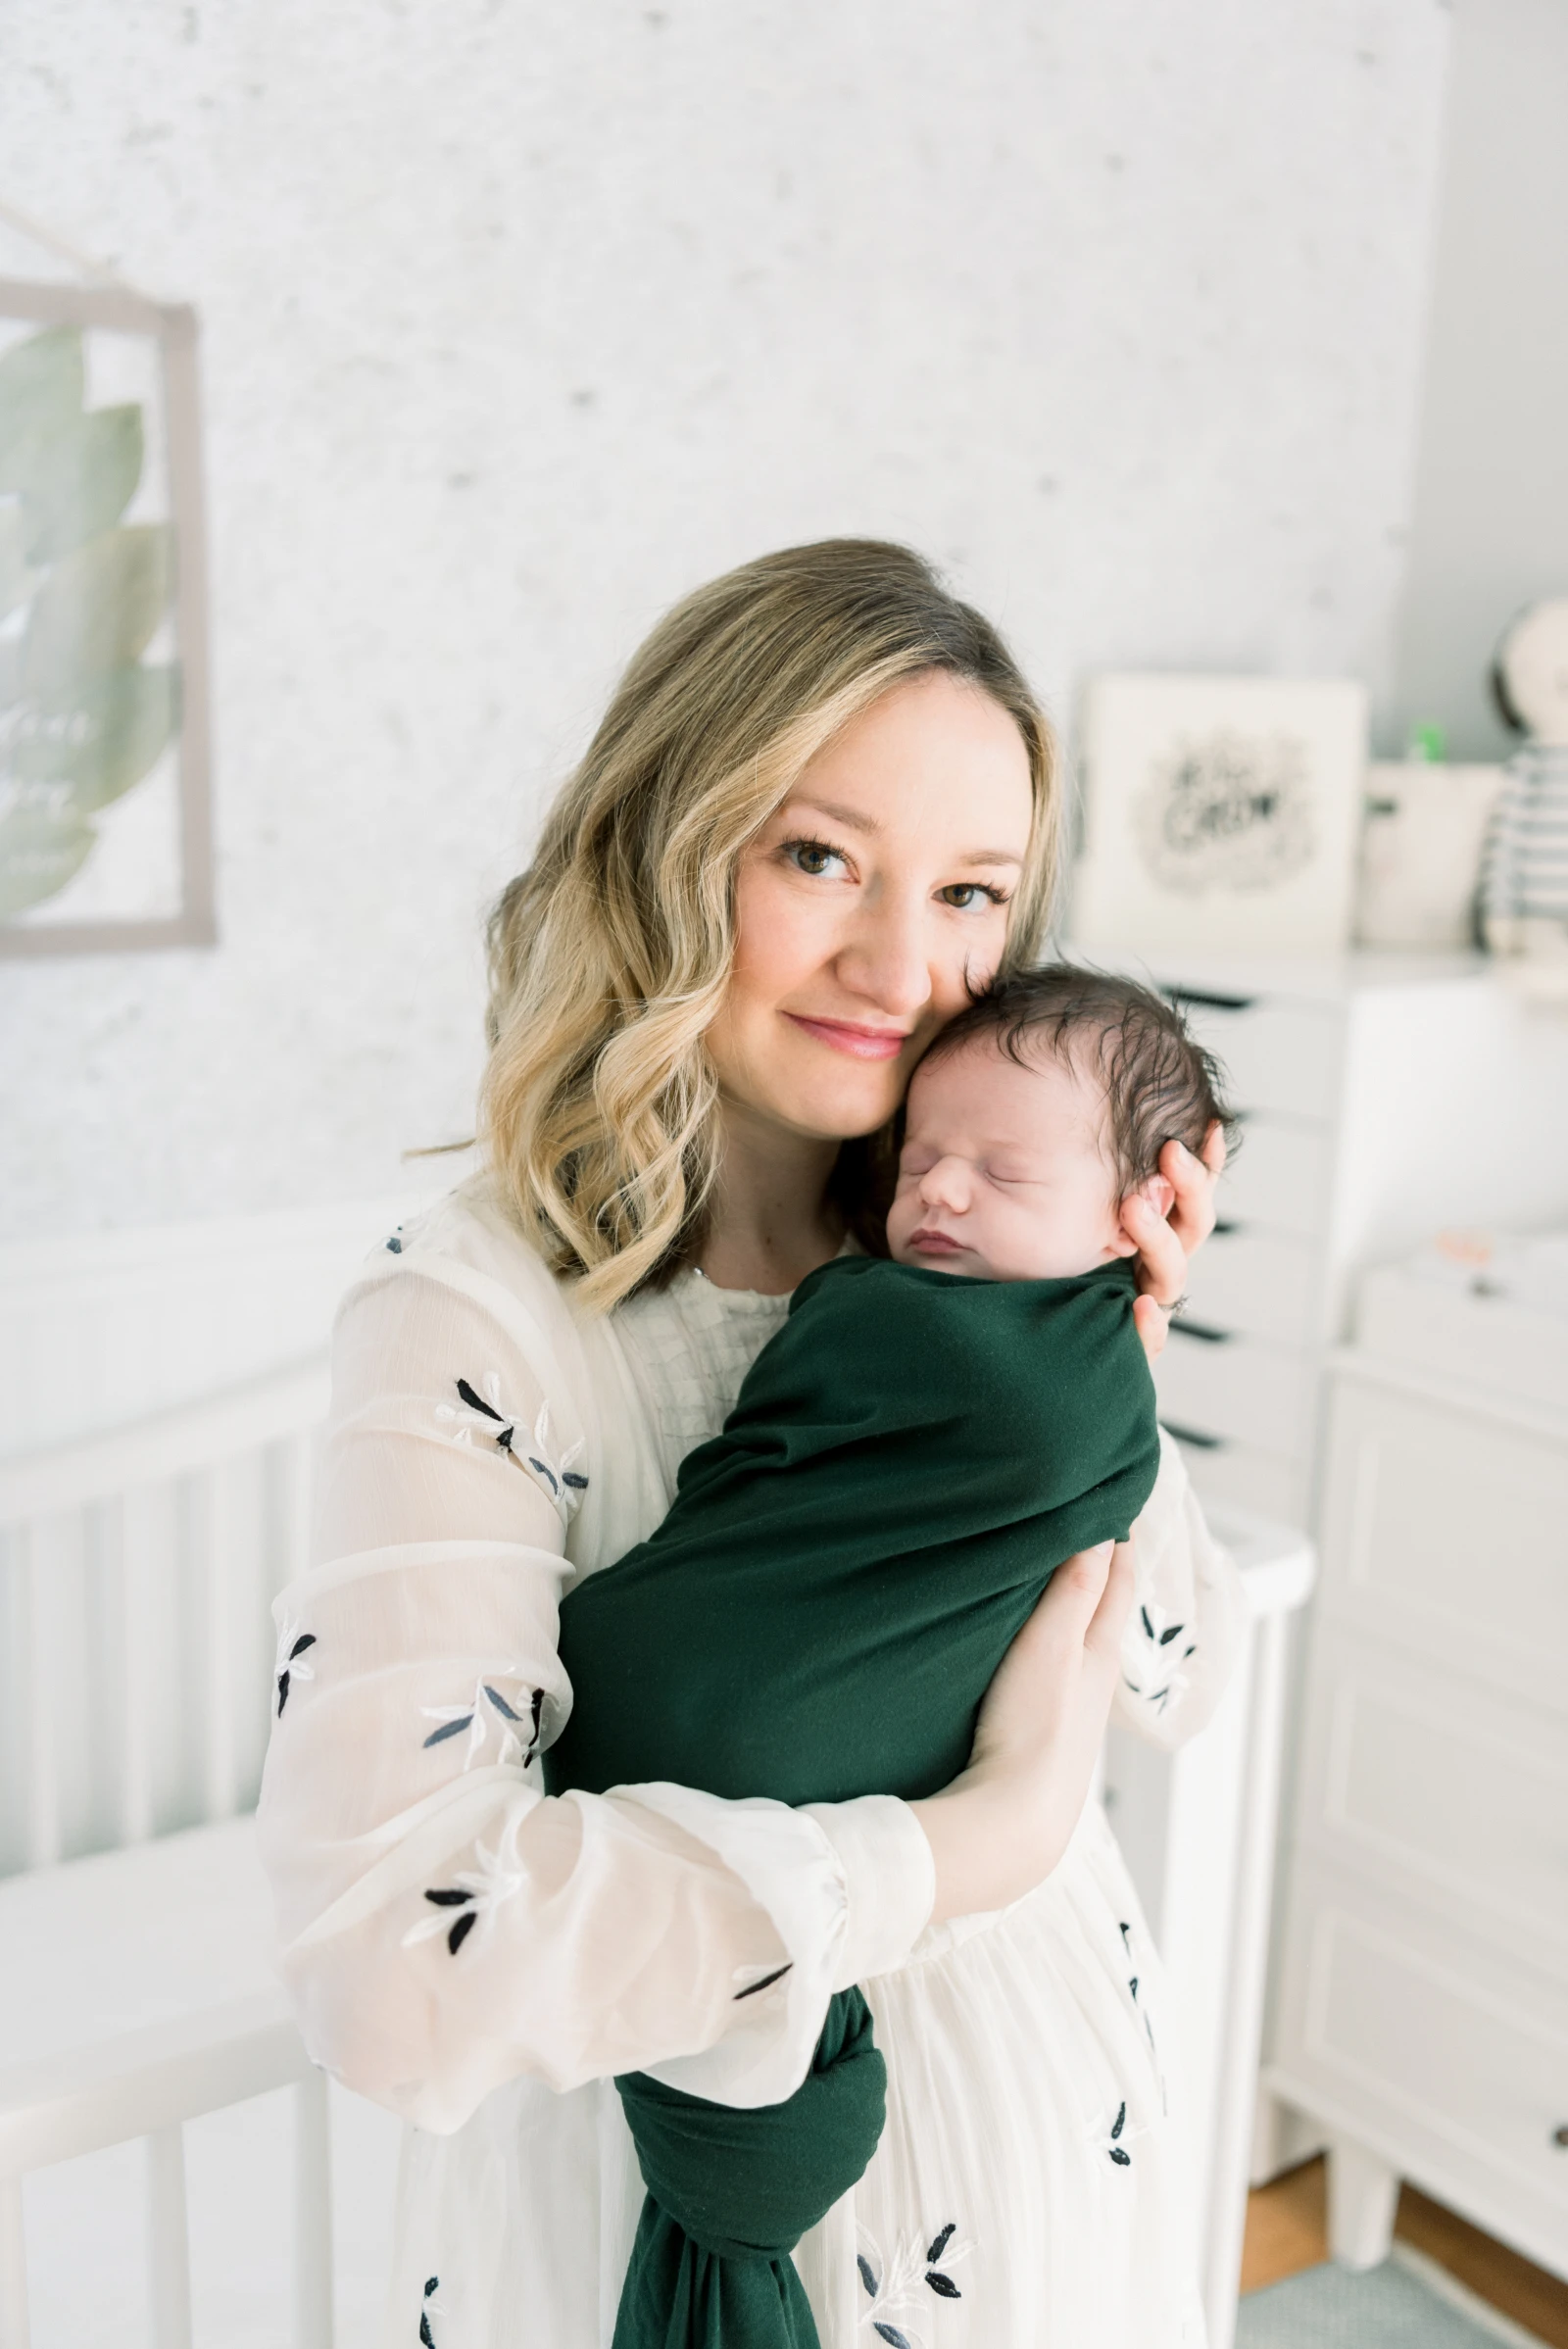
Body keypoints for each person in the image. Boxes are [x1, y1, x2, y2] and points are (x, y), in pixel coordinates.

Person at [256, 540, 1242, 2349]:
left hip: (1043, 2108)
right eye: (819, 858)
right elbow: (394, 1968)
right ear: (668, 846)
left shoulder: (973, 1264)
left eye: (970, 892)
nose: (904, 964)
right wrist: (965, 1846)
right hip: (665, 2168)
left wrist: (1101, 1355)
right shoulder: (477, 1318)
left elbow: (1179, 1673)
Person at [545, 965, 1236, 2349]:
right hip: (708, 1892)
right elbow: (779, 1476)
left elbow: (1182, 1679)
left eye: (1002, 1172)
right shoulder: (858, 1303)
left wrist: (1128, 1357)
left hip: (996, 1997)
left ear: (1138, 1209)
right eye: (920, 1162)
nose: (943, 1192)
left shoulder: (1092, 1378)